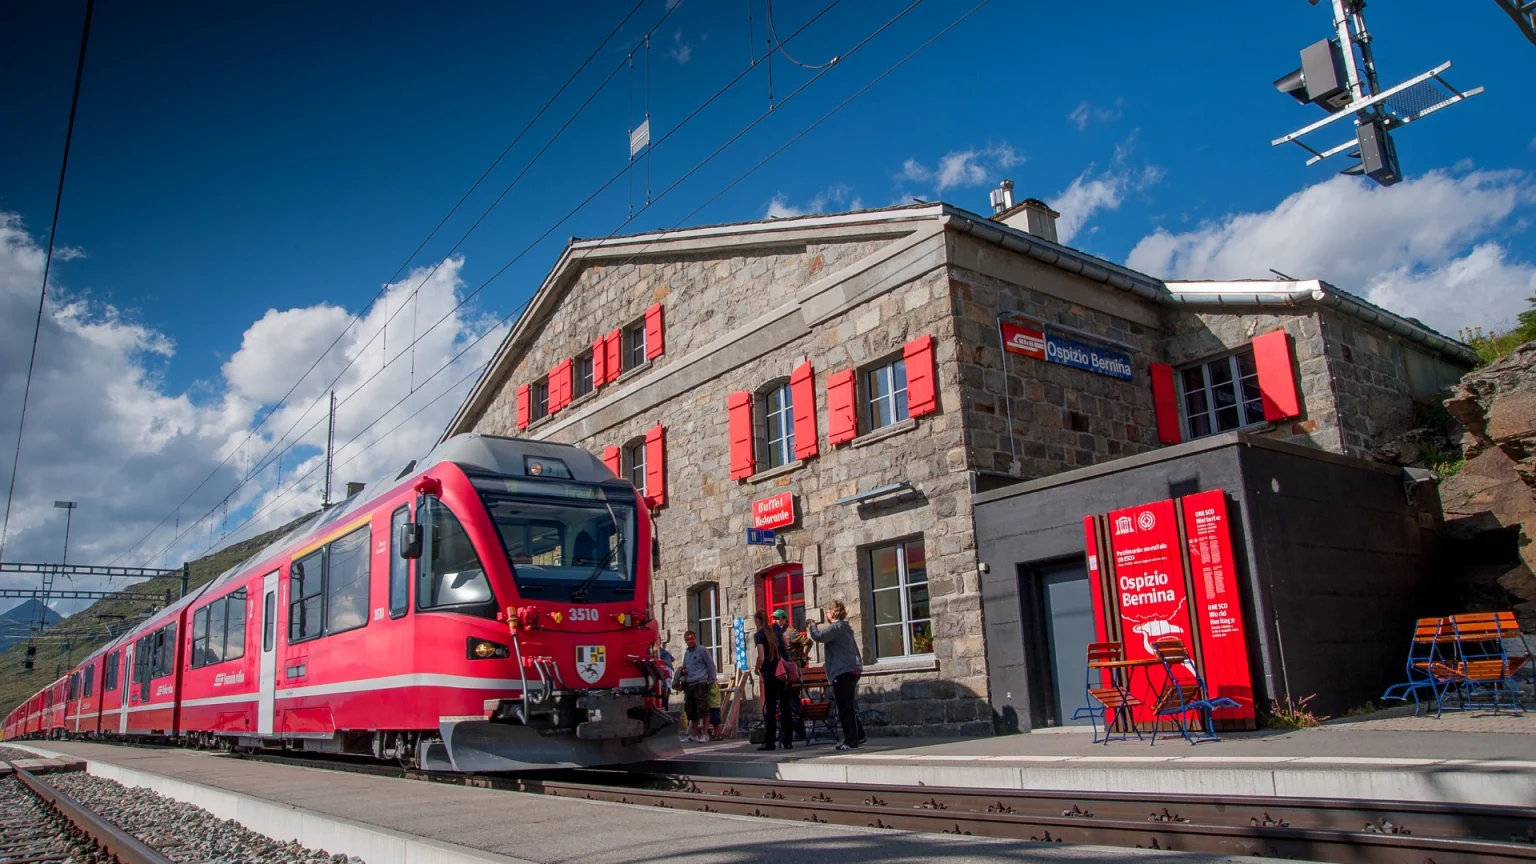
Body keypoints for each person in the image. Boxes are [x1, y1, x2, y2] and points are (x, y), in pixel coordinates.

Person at [807, 600, 864, 751]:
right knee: (849, 705)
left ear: (832, 613)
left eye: (827, 611)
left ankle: (851, 741)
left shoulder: (836, 627)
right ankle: (859, 735)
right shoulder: (844, 627)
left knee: (844, 707)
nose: (826, 614)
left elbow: (819, 636)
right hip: (852, 669)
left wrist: (812, 625)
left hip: (842, 671)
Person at [753, 609, 794, 751]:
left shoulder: (758, 635)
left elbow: (761, 657)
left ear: (757, 621)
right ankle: (788, 740)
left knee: (770, 708)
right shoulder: (776, 628)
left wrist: (756, 668)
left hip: (770, 673)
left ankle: (770, 741)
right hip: (783, 672)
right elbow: (787, 645)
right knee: (785, 706)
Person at [679, 630, 716, 743]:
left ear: (695, 639)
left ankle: (705, 734)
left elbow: (710, 665)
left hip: (701, 682)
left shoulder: (702, 650)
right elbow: (685, 666)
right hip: (689, 684)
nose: (690, 641)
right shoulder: (687, 654)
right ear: (685, 641)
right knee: (692, 711)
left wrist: (712, 680)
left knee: (704, 709)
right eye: (688, 639)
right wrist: (683, 672)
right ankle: (694, 734)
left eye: (692, 638)